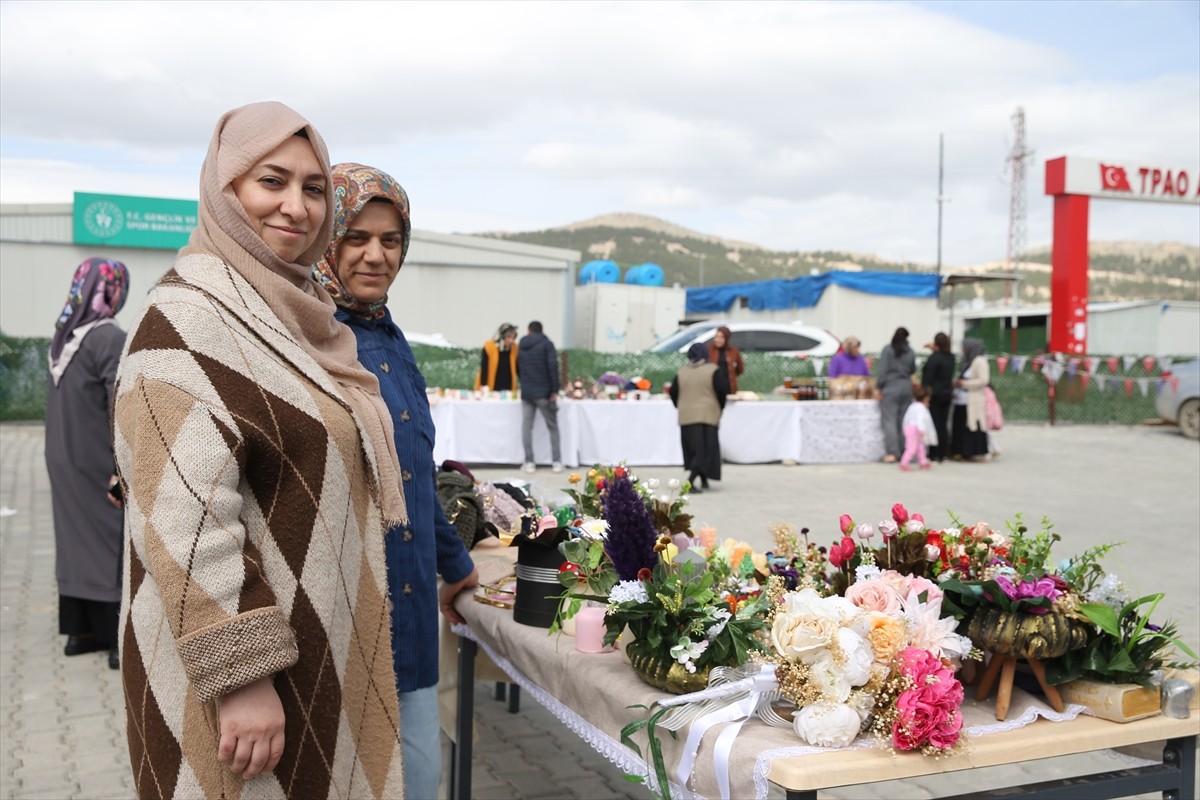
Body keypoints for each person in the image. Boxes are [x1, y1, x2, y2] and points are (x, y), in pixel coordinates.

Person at [111, 102, 406, 798]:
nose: (296, 207)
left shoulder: (290, 315)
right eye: (270, 181)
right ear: (224, 188)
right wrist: (243, 678)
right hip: (242, 678)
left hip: (313, 639)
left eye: (311, 189)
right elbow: (186, 519)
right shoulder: (184, 322)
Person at [313, 162, 479, 800]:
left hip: (408, 614)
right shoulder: (306, 338)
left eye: (391, 241)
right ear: (326, 237)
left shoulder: (388, 334)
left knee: (418, 777)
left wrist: (455, 562)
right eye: (357, 237)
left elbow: (413, 475)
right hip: (342, 615)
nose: (376, 255)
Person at [45, 257, 129, 672]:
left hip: (63, 457)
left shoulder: (64, 335)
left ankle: (80, 634)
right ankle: (115, 640)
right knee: (113, 538)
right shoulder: (108, 336)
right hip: (98, 459)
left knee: (76, 539)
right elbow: (121, 403)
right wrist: (123, 466)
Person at [668, 342, 730, 492]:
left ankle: (703, 479)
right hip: (707, 415)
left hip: (686, 416)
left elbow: (673, 392)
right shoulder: (713, 370)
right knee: (705, 451)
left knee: (693, 450)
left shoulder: (682, 372)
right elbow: (723, 390)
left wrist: (680, 405)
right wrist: (720, 408)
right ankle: (689, 483)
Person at [516, 320, 563, 474]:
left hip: (527, 392)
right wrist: (554, 390)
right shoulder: (547, 344)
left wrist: (524, 383)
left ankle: (529, 462)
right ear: (541, 331)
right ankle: (556, 461)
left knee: (526, 428)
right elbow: (552, 367)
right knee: (553, 427)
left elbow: (518, 367)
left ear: (529, 331)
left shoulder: (522, 345)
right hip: (544, 393)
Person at [874, 326, 916, 462]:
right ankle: (906, 450)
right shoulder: (910, 352)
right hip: (906, 387)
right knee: (904, 421)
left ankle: (892, 453)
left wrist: (879, 387)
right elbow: (912, 370)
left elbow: (882, 371)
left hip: (890, 387)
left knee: (889, 420)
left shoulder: (888, 350)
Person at [951, 337, 992, 462]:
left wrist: (965, 383)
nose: (962, 350)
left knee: (971, 426)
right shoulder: (967, 361)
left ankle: (971, 452)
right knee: (960, 426)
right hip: (961, 400)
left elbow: (984, 380)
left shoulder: (980, 361)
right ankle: (961, 452)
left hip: (972, 399)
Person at [921, 332, 956, 463]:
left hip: (934, 395)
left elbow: (928, 378)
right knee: (943, 424)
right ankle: (943, 452)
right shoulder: (951, 357)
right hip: (946, 393)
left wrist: (924, 395)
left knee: (934, 424)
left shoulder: (934, 358)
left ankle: (934, 452)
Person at [899, 384, 937, 471]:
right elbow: (919, 419)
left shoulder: (913, 405)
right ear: (926, 397)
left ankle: (923, 461)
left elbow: (907, 417)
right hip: (915, 429)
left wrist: (904, 427)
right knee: (912, 447)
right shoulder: (920, 407)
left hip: (909, 428)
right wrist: (922, 429)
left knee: (920, 446)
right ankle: (904, 462)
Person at [476, 322, 519, 391]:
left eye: (513, 337)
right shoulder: (489, 346)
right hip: (490, 386)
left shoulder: (514, 348)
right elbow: (484, 367)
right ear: (502, 336)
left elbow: (517, 368)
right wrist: (483, 385)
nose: (511, 340)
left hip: (508, 387)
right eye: (509, 337)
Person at [706, 325, 745, 393]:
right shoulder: (709, 349)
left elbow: (740, 369)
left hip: (728, 387)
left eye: (721, 337)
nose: (718, 340)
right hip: (712, 388)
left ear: (726, 338)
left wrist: (731, 374)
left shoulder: (733, 351)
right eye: (717, 337)